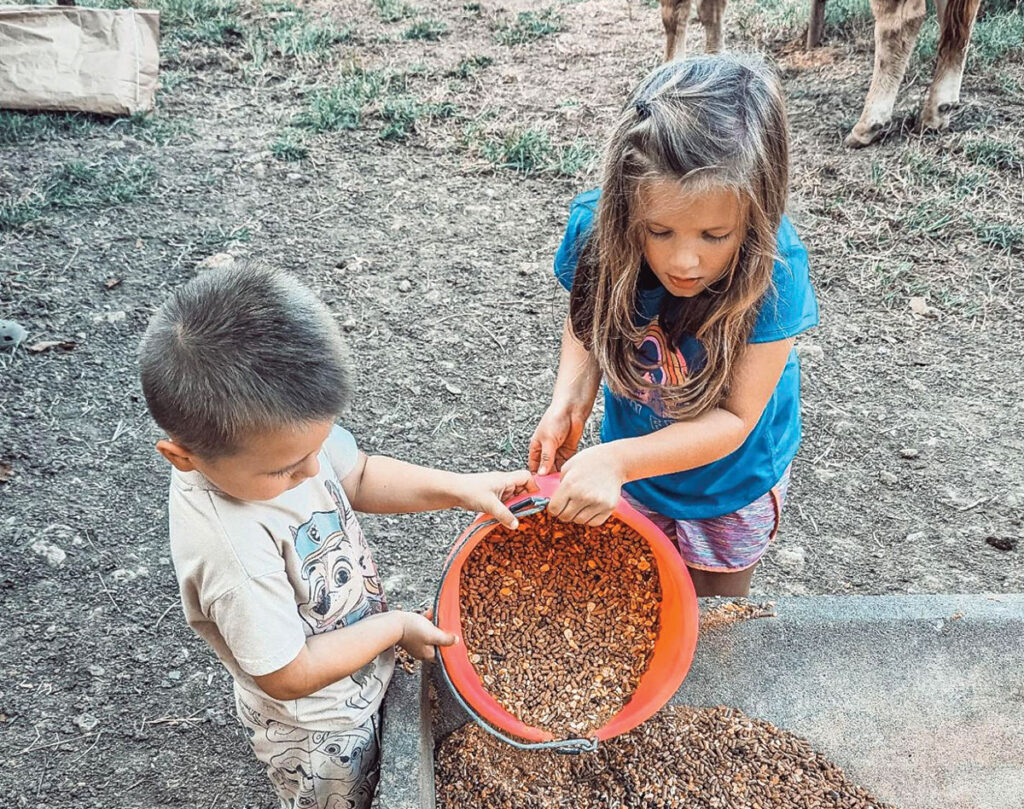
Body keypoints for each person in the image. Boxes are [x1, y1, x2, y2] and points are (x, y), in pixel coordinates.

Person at [138, 263, 534, 809]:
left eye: (315, 453)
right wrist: (392, 628)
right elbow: (286, 672)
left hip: (355, 663)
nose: (309, 475)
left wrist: (461, 489)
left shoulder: (281, 443)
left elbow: (361, 475)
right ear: (183, 458)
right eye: (285, 471)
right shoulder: (233, 552)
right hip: (317, 726)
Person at [529, 53, 819, 598]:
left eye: (714, 236)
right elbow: (586, 321)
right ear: (625, 207)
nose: (685, 262)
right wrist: (569, 398)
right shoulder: (598, 229)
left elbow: (735, 417)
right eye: (659, 231)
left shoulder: (777, 268)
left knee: (713, 609)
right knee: (640, 589)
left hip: (733, 482)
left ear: (756, 216)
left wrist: (615, 460)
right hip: (635, 467)